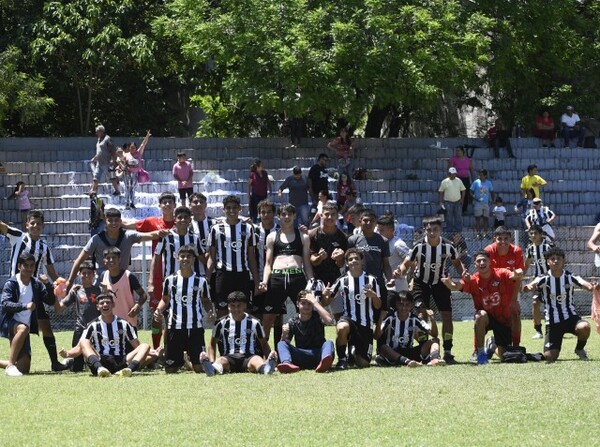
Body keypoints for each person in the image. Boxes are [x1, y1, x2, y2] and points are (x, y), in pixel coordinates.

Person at [0, 211, 67, 372]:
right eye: (32, 223)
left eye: (38, 223)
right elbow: (2, 226)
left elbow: (52, 272)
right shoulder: (18, 236)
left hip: (35, 291)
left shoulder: (44, 247)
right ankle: (12, 363)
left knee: (45, 324)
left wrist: (60, 284)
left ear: (42, 226)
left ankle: (54, 363)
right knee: (17, 327)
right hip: (16, 291)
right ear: (27, 225)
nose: (35, 226)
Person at [395, 216, 464, 364]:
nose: (432, 232)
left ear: (440, 230)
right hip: (421, 283)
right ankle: (424, 349)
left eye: (435, 229)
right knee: (422, 315)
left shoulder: (448, 246)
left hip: (440, 282)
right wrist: (399, 271)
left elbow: (457, 263)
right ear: (425, 230)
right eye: (429, 229)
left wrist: (463, 274)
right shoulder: (418, 246)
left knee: (446, 316)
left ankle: (447, 351)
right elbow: (407, 263)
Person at [442, 251, 523, 365]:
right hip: (486, 319)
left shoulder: (501, 273)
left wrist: (518, 273)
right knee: (480, 315)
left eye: (484, 260)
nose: (482, 263)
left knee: (504, 356)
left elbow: (513, 275)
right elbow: (457, 287)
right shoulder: (473, 279)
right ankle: (480, 353)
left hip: (502, 319)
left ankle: (491, 345)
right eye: (478, 261)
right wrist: (450, 284)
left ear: (490, 262)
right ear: (475, 264)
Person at [523, 247, 596, 362]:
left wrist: (591, 286)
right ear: (548, 262)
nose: (556, 261)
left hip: (570, 317)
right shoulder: (543, 278)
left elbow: (585, 284)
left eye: (559, 259)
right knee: (549, 357)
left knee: (584, 327)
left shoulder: (570, 276)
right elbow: (529, 286)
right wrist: (528, 287)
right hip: (553, 322)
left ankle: (579, 349)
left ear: (563, 261)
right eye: (553, 259)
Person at [66, 207, 165, 291]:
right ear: (105, 221)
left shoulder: (129, 236)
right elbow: (79, 260)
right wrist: (70, 282)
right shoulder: (96, 239)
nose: (114, 223)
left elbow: (151, 235)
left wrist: (168, 231)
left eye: (116, 220)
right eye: (110, 220)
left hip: (122, 282)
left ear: (121, 222)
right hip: (102, 282)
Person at [123, 192, 176, 347]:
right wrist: (109, 220)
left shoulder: (181, 222)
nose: (167, 204)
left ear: (174, 205)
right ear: (159, 205)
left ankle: (171, 348)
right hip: (158, 275)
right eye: (164, 202)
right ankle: (156, 348)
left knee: (174, 316)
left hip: (177, 274)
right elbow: (129, 225)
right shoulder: (153, 222)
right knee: (156, 315)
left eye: (170, 202)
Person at [153, 245, 216, 374]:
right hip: (175, 326)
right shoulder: (170, 280)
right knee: (170, 370)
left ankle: (190, 360)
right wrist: (158, 310)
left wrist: (211, 311)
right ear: (177, 258)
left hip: (195, 326)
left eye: (188, 256)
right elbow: (165, 299)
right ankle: (182, 359)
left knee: (199, 369)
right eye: (182, 256)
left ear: (193, 259)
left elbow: (206, 301)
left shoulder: (201, 281)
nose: (185, 259)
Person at [62, 292, 151, 377]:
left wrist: (152, 353)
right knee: (84, 342)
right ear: (97, 307)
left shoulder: (124, 324)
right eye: (102, 303)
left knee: (145, 346)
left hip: (121, 360)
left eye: (108, 302)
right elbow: (79, 348)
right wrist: (67, 354)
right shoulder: (92, 325)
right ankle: (100, 369)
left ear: (113, 305)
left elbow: (137, 346)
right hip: (100, 360)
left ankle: (128, 370)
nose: (105, 305)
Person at [259, 204, 314, 340]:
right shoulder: (272, 237)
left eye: (289, 214)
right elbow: (268, 264)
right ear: (279, 217)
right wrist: (265, 281)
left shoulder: (303, 237)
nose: (287, 217)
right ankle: (263, 353)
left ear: (294, 216)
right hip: (277, 278)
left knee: (304, 313)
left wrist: (312, 282)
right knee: (268, 317)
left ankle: (305, 347)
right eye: (283, 214)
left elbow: (307, 263)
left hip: (297, 277)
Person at [323, 249, 382, 369]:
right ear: (346, 263)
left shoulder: (371, 280)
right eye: (350, 259)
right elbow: (326, 302)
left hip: (366, 323)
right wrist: (325, 294)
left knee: (363, 364)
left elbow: (378, 305)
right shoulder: (342, 280)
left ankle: (352, 351)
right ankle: (342, 360)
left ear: (362, 261)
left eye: (356, 258)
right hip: (348, 318)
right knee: (341, 327)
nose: (354, 261)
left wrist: (374, 296)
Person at [0, 253, 56, 376]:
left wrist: (48, 285)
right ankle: (10, 365)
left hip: (24, 327)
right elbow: (5, 304)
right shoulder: (12, 283)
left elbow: (50, 301)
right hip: (10, 323)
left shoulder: (36, 283)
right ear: (19, 266)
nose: (30, 269)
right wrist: (24, 306)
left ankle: (8, 363)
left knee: (24, 368)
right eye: (26, 266)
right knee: (23, 328)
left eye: (32, 266)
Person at [206, 195, 259, 318]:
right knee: (222, 310)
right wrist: (207, 280)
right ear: (223, 209)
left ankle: (245, 336)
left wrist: (256, 282)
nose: (231, 211)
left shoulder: (248, 228)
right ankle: (223, 336)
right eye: (228, 208)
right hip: (223, 275)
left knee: (245, 310)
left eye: (235, 207)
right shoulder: (216, 229)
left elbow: (251, 258)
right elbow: (212, 258)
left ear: (240, 209)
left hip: (242, 275)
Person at [202, 291, 278, 375]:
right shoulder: (221, 323)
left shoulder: (255, 322)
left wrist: (267, 359)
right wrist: (212, 361)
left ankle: (266, 369)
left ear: (245, 306)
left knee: (257, 359)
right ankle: (212, 369)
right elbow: (212, 344)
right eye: (232, 306)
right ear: (228, 307)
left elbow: (264, 344)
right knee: (221, 361)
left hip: (248, 357)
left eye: (239, 306)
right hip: (229, 358)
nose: (236, 309)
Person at [374, 291, 445, 367]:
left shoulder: (414, 319)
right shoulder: (390, 318)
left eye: (407, 305)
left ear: (411, 306)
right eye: (401, 304)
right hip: (394, 352)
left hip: (409, 351)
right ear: (396, 305)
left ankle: (434, 359)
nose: (404, 308)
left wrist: (433, 320)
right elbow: (376, 336)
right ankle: (408, 361)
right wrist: (381, 318)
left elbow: (434, 334)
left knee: (435, 340)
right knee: (383, 348)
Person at [55, 260, 101, 372]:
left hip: (96, 329)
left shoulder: (99, 290)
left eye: (89, 273)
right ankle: (71, 362)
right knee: (77, 368)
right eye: (83, 273)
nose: (86, 276)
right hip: (80, 328)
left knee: (98, 361)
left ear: (94, 274)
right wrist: (56, 294)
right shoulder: (76, 291)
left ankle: (87, 361)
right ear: (79, 274)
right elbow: (59, 308)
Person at [276, 290, 335, 373]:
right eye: (303, 303)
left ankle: (324, 364)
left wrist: (315, 302)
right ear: (297, 304)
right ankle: (286, 363)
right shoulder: (293, 321)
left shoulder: (318, 316)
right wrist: (284, 334)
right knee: (281, 343)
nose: (306, 306)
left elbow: (329, 320)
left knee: (329, 343)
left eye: (309, 303)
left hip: (319, 354)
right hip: (301, 355)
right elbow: (285, 345)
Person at [485, 226, 525, 347]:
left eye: (506, 238)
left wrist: (514, 300)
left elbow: (518, 277)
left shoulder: (517, 251)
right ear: (494, 239)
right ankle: (477, 350)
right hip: (492, 291)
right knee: (480, 317)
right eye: (499, 238)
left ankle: (516, 346)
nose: (503, 242)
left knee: (515, 312)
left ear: (511, 239)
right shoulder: (489, 251)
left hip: (509, 292)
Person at [348, 209, 392, 313]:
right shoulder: (352, 240)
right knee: (359, 315)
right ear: (360, 221)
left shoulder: (383, 241)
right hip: (357, 284)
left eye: (371, 221)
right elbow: (349, 263)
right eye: (365, 220)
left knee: (381, 316)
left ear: (375, 223)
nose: (368, 223)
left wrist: (390, 279)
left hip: (378, 284)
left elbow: (386, 264)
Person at [309, 202, 348, 320]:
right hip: (317, 281)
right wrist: (320, 258)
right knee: (313, 317)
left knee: (340, 317)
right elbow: (311, 260)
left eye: (333, 214)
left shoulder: (342, 237)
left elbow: (342, 264)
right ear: (321, 216)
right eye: (327, 214)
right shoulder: (313, 234)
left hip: (336, 280)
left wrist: (340, 258)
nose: (330, 217)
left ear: (337, 216)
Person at [99, 247, 147, 328]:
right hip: (110, 321)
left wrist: (137, 306)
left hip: (128, 321)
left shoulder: (129, 276)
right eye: (108, 258)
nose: (111, 260)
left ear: (119, 260)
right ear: (104, 261)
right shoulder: (103, 275)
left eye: (114, 257)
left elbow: (143, 295)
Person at [524, 225, 553, 339]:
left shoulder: (548, 246)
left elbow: (557, 261)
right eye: (531, 233)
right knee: (535, 302)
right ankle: (538, 331)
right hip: (538, 280)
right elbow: (526, 263)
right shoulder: (530, 248)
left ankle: (553, 329)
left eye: (535, 233)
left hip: (550, 279)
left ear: (541, 234)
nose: (533, 235)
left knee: (551, 305)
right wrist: (522, 276)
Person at [253, 199, 279, 318]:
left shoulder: (280, 230)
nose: (266, 215)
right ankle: (258, 337)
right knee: (257, 312)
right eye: (263, 212)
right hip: (257, 277)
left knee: (277, 314)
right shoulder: (253, 231)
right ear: (259, 214)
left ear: (274, 214)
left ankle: (279, 337)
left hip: (277, 277)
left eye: (269, 212)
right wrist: (257, 280)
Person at [376, 215, 409, 293]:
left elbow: (411, 259)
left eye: (382, 230)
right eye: (378, 230)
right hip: (384, 283)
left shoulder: (398, 244)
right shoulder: (379, 244)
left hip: (398, 285)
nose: (378, 233)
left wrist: (401, 270)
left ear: (391, 230)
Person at [89, 124, 120, 196]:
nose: (96, 133)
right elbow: (100, 151)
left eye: (97, 132)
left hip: (107, 162)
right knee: (96, 177)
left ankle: (117, 190)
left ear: (102, 131)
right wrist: (95, 157)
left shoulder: (107, 138)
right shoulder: (99, 140)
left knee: (112, 177)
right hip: (99, 163)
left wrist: (112, 159)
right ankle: (92, 191)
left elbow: (113, 150)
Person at [123, 130, 151, 209]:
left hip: (135, 173)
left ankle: (132, 202)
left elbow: (143, 144)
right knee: (127, 188)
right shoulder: (126, 154)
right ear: (129, 148)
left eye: (134, 147)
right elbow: (121, 162)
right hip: (127, 173)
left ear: (135, 148)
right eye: (131, 147)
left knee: (133, 188)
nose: (132, 149)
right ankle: (127, 203)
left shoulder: (138, 153)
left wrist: (147, 136)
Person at [438, 167, 466, 233]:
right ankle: (449, 233)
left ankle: (459, 233)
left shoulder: (459, 180)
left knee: (458, 218)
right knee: (449, 218)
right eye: (452, 174)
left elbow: (463, 190)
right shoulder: (444, 182)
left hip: (458, 202)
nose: (454, 175)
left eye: (455, 174)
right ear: (449, 174)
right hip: (448, 203)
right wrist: (441, 201)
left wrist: (462, 199)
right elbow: (441, 191)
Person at [448, 146, 475, 215]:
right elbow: (449, 169)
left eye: (459, 150)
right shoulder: (453, 159)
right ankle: (457, 210)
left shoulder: (467, 160)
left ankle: (464, 209)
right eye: (456, 151)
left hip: (466, 178)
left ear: (463, 151)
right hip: (457, 179)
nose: (457, 152)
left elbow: (471, 169)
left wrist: (473, 179)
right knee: (457, 194)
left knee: (465, 194)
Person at [470, 169, 494, 237]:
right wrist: (475, 198)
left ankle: (485, 233)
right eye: (479, 175)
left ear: (485, 175)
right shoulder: (476, 182)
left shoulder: (489, 183)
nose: (480, 176)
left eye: (482, 175)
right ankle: (478, 233)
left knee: (485, 218)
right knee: (478, 219)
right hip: (477, 203)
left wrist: (492, 199)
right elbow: (470, 191)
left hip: (486, 203)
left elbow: (492, 191)